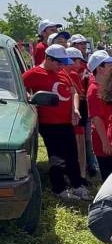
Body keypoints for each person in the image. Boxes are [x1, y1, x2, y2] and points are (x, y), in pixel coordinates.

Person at [22, 44, 91, 201]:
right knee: (57, 156)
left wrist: (75, 109)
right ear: (48, 58)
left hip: (66, 121)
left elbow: (73, 92)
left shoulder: (61, 73)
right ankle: (58, 189)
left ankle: (77, 185)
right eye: (58, 62)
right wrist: (28, 97)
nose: (61, 66)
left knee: (72, 153)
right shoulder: (33, 74)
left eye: (63, 63)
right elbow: (20, 89)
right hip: (49, 123)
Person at [86, 50, 112, 180]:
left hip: (111, 138)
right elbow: (96, 118)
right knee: (108, 177)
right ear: (100, 68)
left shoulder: (106, 86)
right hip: (103, 140)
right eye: (109, 64)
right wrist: (105, 143)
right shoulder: (94, 90)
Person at [65, 47, 90, 184]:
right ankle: (81, 175)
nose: (81, 64)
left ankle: (79, 174)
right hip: (77, 111)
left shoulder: (70, 73)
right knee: (79, 145)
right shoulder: (72, 74)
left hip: (74, 112)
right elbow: (80, 93)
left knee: (78, 144)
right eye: (79, 61)